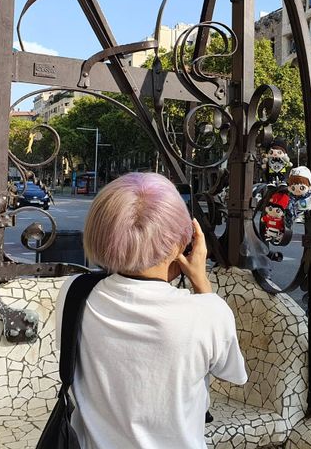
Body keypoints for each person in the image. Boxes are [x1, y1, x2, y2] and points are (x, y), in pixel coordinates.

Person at [56, 173, 248, 449]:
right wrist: (201, 281)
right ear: (184, 242)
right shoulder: (208, 312)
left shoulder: (75, 292)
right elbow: (234, 373)